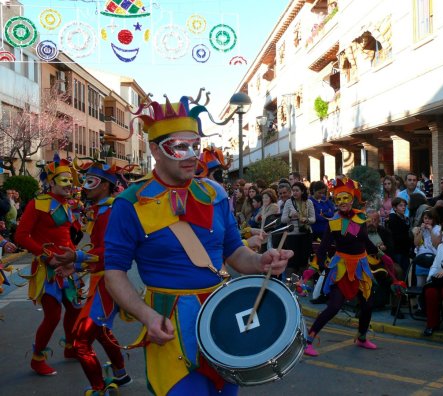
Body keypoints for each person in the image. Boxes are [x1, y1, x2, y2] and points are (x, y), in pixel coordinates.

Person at [103, 95, 293, 396]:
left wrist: (262, 262)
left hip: (222, 317)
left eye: (196, 145)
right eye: (180, 147)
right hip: (169, 324)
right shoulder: (129, 204)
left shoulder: (215, 194)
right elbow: (113, 272)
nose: (192, 155)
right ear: (155, 150)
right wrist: (146, 315)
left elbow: (235, 253)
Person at [14, 157, 84, 376]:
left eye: (71, 180)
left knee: (74, 309)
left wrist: (75, 259)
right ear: (51, 182)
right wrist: (46, 256)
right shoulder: (38, 203)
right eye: (64, 180)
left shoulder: (67, 204)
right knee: (52, 316)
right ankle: (37, 359)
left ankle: (71, 348)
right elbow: (21, 236)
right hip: (48, 269)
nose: (69, 185)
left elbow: (67, 236)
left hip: (68, 267)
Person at [69, 160, 132, 394]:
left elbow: (109, 252)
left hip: (108, 283)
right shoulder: (102, 210)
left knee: (80, 342)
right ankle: (120, 373)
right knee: (102, 331)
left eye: (90, 182)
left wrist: (76, 257)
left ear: (105, 186)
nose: (85, 187)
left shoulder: (109, 212)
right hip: (101, 281)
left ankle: (98, 387)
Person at [303, 177, 379, 357]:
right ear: (335, 201)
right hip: (342, 268)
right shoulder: (334, 223)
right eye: (338, 199)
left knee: (367, 305)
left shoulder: (361, 218)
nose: (342, 202)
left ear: (352, 199)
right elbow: (323, 248)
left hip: (361, 267)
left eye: (346, 198)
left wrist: (382, 256)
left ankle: (361, 338)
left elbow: (365, 241)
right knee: (334, 307)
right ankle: (308, 341)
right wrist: (317, 267)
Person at [281, 181, 315, 277]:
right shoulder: (288, 202)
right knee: (292, 260)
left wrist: (306, 220)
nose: (294, 193)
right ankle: (291, 282)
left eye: (297, 190)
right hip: (292, 235)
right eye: (293, 191)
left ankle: (303, 283)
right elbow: (283, 220)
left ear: (303, 191)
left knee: (304, 260)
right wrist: (290, 215)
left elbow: (313, 219)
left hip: (306, 234)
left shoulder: (309, 202)